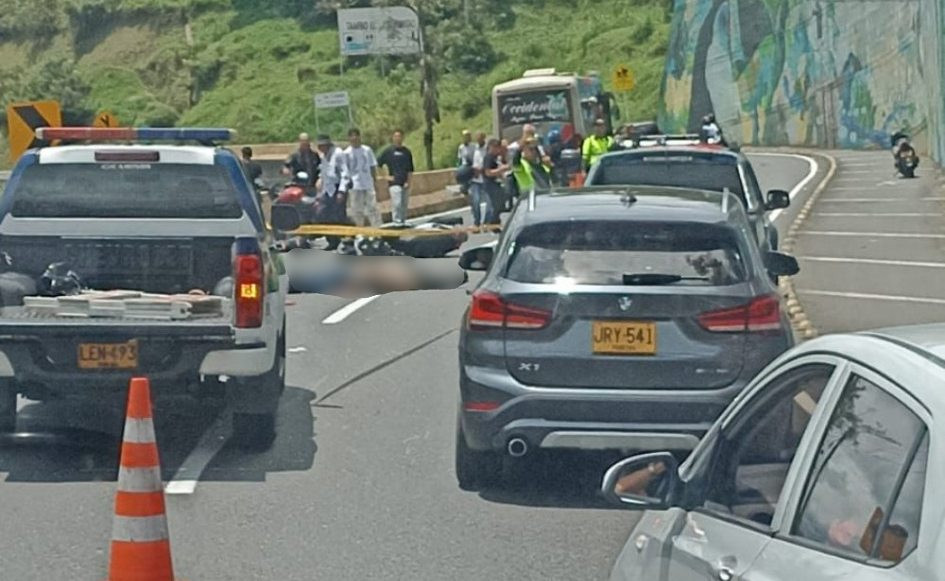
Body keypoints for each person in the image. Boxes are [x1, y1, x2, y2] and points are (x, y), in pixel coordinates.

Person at [339, 128, 380, 227]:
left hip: (368, 183)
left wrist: (375, 181)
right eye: (351, 136)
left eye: (356, 135)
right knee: (357, 210)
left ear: (359, 137)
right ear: (349, 138)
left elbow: (372, 166)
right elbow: (345, 171)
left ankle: (378, 229)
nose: (354, 138)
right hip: (355, 185)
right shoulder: (346, 153)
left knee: (372, 207)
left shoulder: (367, 150)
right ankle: (360, 231)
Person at [377, 129, 415, 225]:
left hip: (405, 182)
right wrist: (386, 176)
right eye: (396, 136)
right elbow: (378, 164)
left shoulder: (407, 152)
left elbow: (410, 169)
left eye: (400, 136)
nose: (398, 138)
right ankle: (396, 223)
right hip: (394, 183)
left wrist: (409, 182)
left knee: (404, 205)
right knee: (397, 203)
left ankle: (403, 222)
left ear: (403, 137)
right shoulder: (388, 151)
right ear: (393, 138)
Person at [481, 138, 510, 226]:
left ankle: (495, 223)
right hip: (490, 184)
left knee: (500, 203)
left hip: (496, 183)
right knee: (495, 205)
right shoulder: (488, 157)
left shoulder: (495, 158)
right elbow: (488, 172)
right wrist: (501, 170)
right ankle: (491, 223)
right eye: (496, 147)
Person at [469, 131, 490, 228]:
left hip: (486, 179)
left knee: (489, 203)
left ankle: (486, 222)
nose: (479, 140)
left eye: (480, 138)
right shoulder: (474, 149)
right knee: (476, 201)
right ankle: (477, 222)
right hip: (475, 180)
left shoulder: (488, 149)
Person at [456, 129, 477, 195]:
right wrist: (458, 167)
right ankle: (464, 189)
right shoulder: (461, 147)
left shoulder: (474, 146)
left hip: (472, 165)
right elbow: (460, 158)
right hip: (464, 166)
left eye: (467, 136)